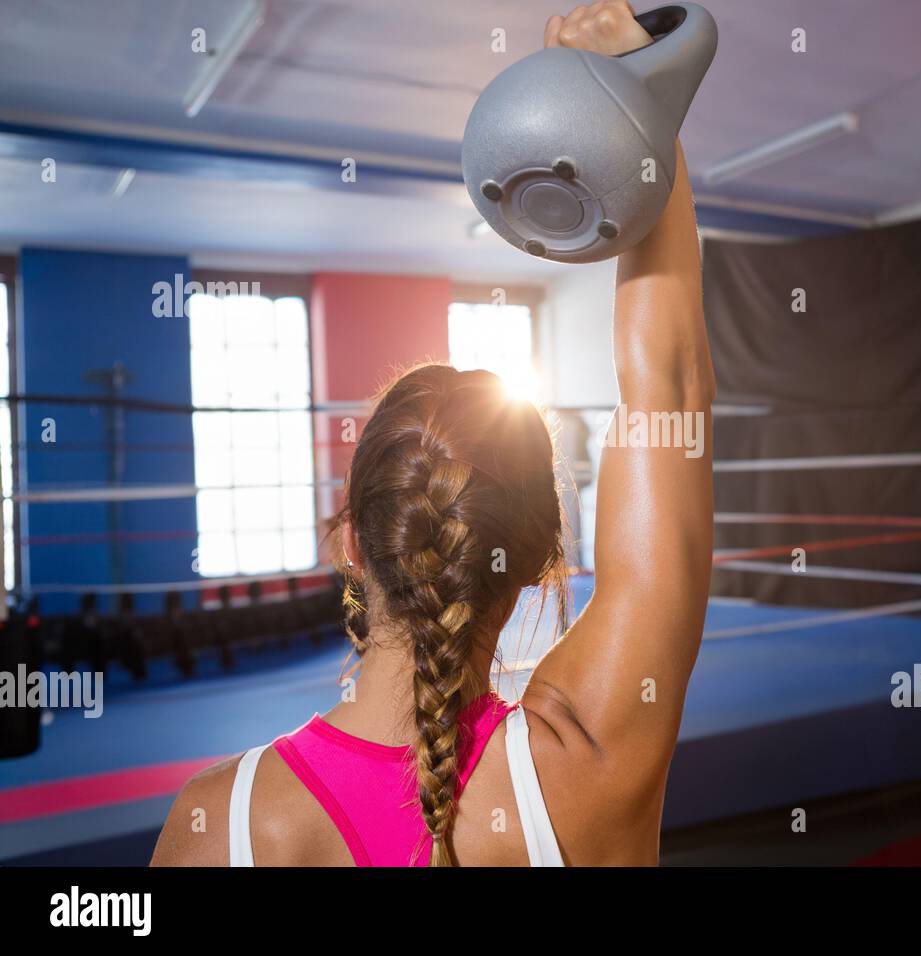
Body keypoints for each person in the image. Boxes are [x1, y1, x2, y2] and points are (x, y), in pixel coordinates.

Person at [151, 0, 714, 867]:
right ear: (536, 559)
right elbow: (668, 390)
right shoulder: (591, 755)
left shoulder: (220, 824)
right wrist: (638, 107)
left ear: (348, 545)